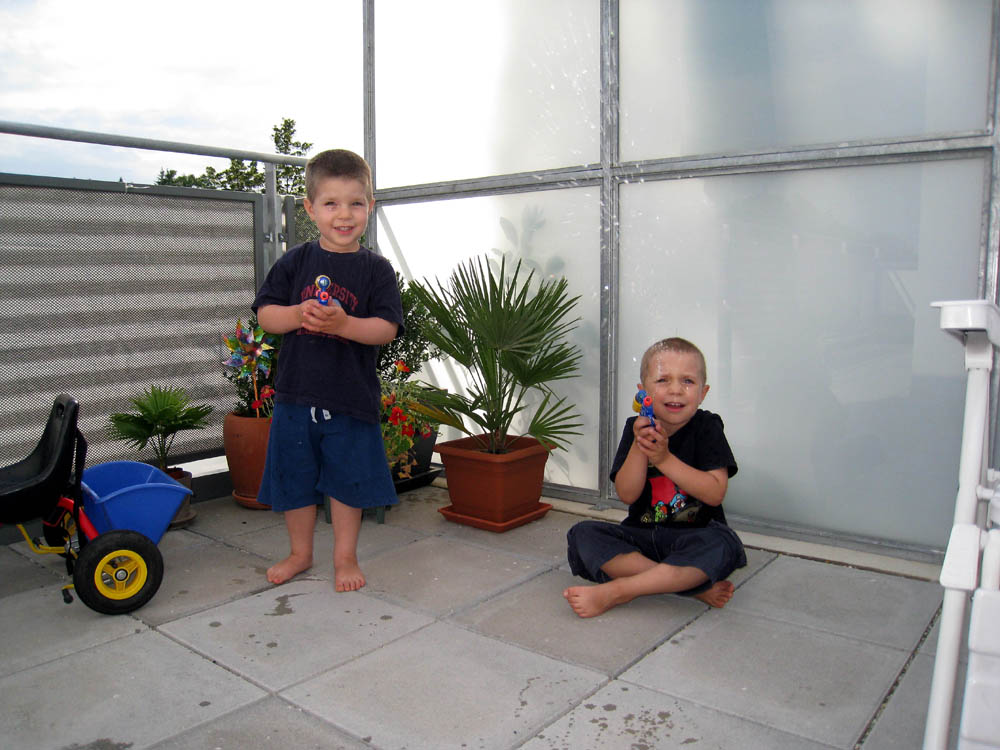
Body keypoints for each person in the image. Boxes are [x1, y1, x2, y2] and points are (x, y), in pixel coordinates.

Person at [252, 148, 403, 592]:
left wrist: (344, 324)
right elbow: (266, 316)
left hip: (351, 399)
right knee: (295, 479)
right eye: (331, 203)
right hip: (295, 397)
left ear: (370, 206)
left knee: (346, 482)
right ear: (310, 209)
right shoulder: (294, 262)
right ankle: (300, 554)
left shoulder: (376, 270)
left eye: (355, 203)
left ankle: (345, 557)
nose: (344, 214)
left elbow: (386, 329)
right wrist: (299, 314)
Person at [563, 337, 746, 618]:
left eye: (687, 381)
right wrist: (640, 445)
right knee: (583, 534)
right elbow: (627, 494)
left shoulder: (707, 427)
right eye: (663, 380)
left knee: (722, 544)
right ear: (643, 393)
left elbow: (714, 493)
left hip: (696, 535)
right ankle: (689, 587)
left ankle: (620, 590)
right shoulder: (634, 428)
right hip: (642, 538)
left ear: (703, 392)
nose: (675, 390)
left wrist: (663, 459)